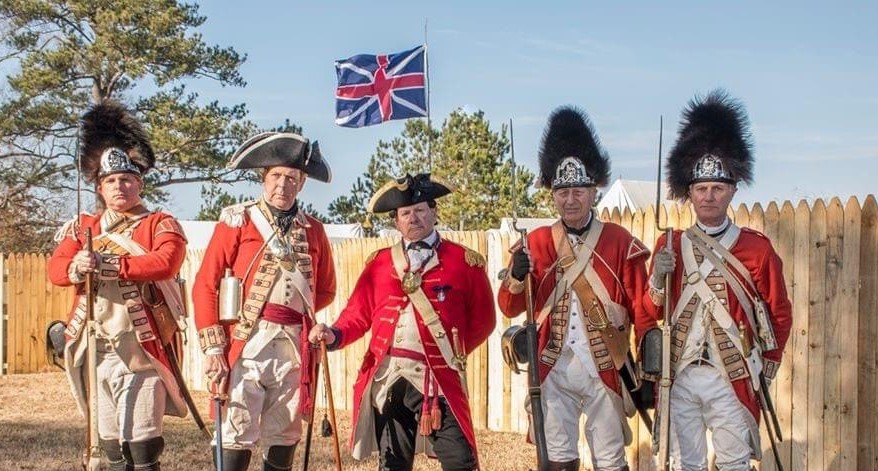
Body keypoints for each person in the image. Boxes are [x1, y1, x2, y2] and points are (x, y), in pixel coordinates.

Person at [640, 90, 793, 471]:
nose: (708, 197)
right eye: (701, 189)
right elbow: (650, 310)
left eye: (717, 189)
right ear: (689, 193)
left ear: (732, 191)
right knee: (683, 462)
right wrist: (658, 277)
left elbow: (779, 314)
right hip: (680, 374)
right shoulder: (670, 244)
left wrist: (764, 369)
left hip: (732, 375)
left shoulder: (756, 249)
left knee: (733, 463)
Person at [497, 106, 650, 471]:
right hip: (553, 366)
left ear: (593, 191)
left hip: (605, 367)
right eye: (562, 191)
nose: (569, 199)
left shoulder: (618, 240)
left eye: (578, 190)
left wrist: (648, 369)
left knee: (610, 462)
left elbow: (643, 309)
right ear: (553, 195)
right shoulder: (535, 241)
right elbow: (508, 306)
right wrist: (517, 276)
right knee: (557, 461)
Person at [309, 173, 496, 471]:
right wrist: (334, 334)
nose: (414, 218)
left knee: (460, 461)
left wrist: (450, 354)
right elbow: (357, 313)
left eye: (421, 210)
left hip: (439, 378)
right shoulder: (379, 263)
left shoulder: (464, 261)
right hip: (390, 376)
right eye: (406, 213)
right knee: (392, 463)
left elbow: (484, 321)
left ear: (434, 213)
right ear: (396, 221)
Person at [48, 100, 189, 471]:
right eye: (110, 181)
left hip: (140, 346)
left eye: (126, 179)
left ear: (139, 183)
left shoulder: (160, 222)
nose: (119, 186)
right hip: (94, 345)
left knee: (142, 448)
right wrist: (78, 266)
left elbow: (165, 262)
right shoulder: (83, 227)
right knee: (110, 447)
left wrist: (110, 265)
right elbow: (56, 270)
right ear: (100, 188)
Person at [192, 132, 336, 471]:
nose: (282, 185)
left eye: (291, 178)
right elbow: (205, 285)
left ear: (301, 184)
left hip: (293, 344)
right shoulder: (237, 221)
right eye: (275, 176)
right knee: (236, 427)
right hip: (247, 340)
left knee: (284, 430)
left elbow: (326, 288)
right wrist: (214, 347)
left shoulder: (314, 229)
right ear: (263, 178)